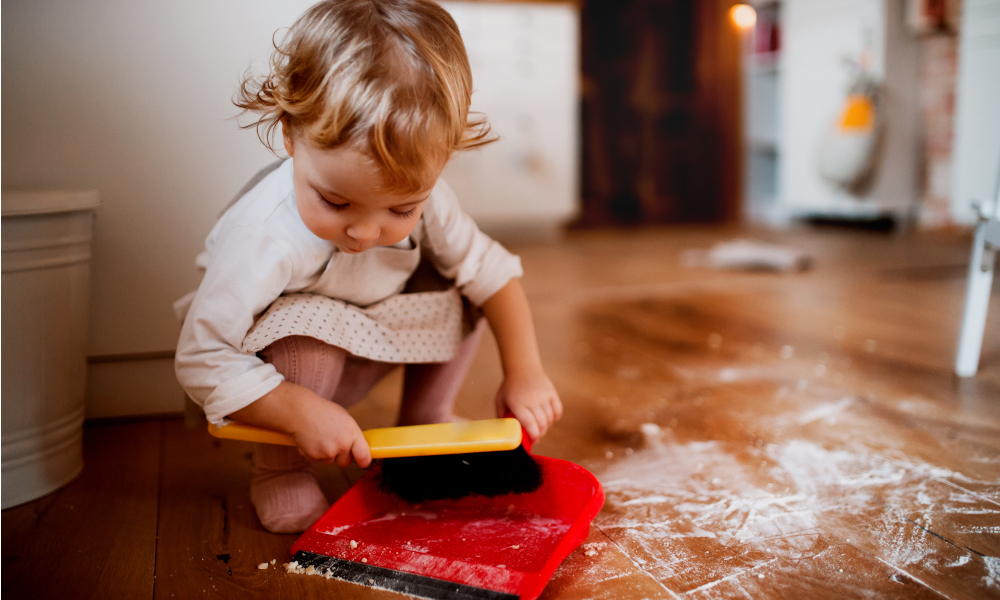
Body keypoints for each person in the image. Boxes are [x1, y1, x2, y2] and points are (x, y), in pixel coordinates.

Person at [174, 0, 562, 534]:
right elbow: (201, 356)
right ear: (290, 134)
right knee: (300, 339)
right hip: (286, 367)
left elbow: (494, 275)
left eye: (402, 210)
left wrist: (526, 371)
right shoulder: (262, 235)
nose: (363, 232)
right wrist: (294, 410)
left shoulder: (434, 200)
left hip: (372, 333)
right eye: (336, 202)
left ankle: (424, 422)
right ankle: (281, 467)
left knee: (464, 287)